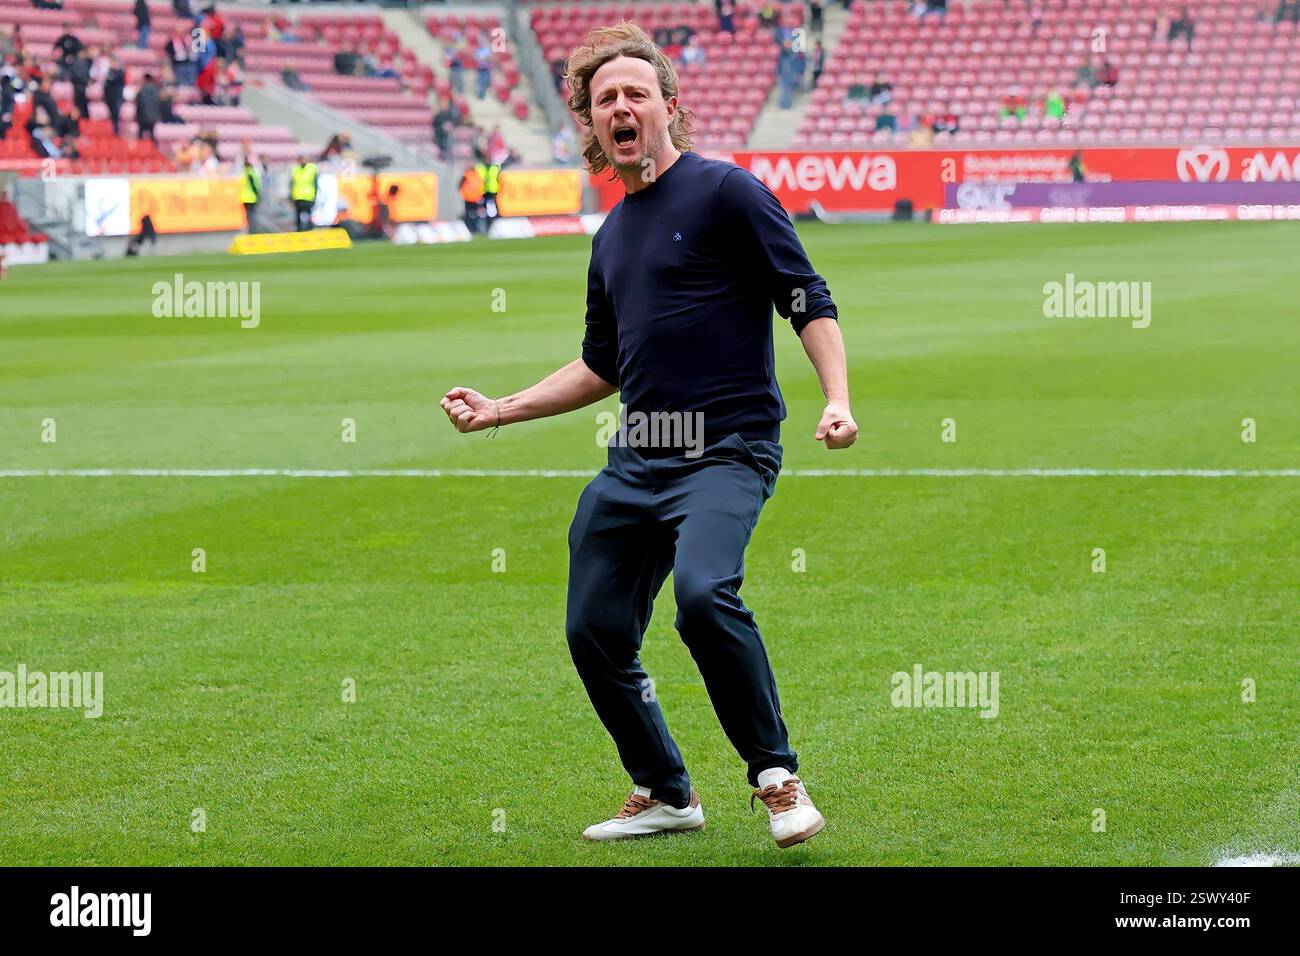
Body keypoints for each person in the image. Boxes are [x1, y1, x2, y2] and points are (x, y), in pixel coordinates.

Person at [438, 22, 855, 849]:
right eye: (604, 101)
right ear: (591, 126)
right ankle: (666, 790)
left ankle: (777, 780)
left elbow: (804, 295)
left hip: (728, 450)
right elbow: (602, 364)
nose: (621, 108)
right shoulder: (610, 237)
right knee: (592, 628)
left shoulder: (728, 192)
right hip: (636, 462)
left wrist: (837, 396)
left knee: (703, 598)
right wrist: (501, 409)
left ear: (669, 105)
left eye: (635, 93)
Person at [289, 154, 318, 231]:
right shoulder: (295, 169)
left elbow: (315, 183)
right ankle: (299, 231)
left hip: (309, 196)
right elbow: (292, 183)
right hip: (298, 196)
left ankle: (309, 230)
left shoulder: (312, 169)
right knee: (298, 216)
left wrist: (315, 194)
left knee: (309, 216)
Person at [102, 54, 125, 135]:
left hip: (116, 97)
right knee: (111, 113)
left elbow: (112, 80)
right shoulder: (109, 72)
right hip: (109, 96)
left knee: (116, 113)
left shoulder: (120, 72)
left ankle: (117, 130)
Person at [459, 161, 484, 233]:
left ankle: (472, 228)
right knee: (474, 214)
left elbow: (460, 186)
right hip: (473, 198)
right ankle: (473, 228)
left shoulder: (468, 175)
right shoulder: (474, 175)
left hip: (470, 198)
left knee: (471, 214)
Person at [135, 73, 161, 140]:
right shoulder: (156, 91)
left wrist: (137, 117)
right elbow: (158, 105)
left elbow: (139, 105)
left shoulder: (141, 92)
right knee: (152, 136)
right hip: (153, 117)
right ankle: (154, 149)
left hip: (142, 117)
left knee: (141, 137)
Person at [240, 153, 261, 233]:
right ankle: (252, 231)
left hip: (245, 197)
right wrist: (257, 194)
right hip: (251, 198)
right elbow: (254, 186)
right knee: (252, 216)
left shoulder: (244, 172)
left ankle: (250, 231)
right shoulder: (251, 173)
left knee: (248, 217)